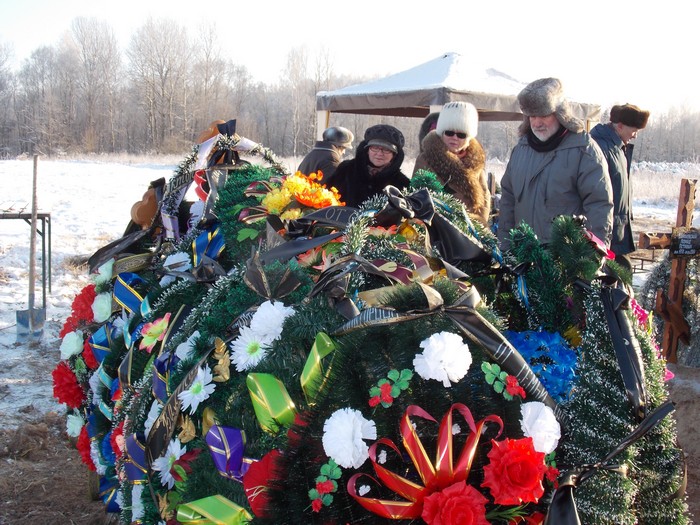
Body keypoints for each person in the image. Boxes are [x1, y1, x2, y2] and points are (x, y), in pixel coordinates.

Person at [497, 77, 613, 251]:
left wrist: (590, 259)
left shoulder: (583, 150)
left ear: (560, 114)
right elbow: (508, 202)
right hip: (523, 258)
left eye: (544, 115)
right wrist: (505, 249)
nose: (537, 123)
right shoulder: (521, 150)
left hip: (565, 262)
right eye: (532, 116)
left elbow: (599, 206)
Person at [590, 103, 650, 271]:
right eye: (634, 130)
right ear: (620, 126)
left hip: (618, 228)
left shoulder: (619, 148)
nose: (635, 135)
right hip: (605, 229)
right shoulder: (601, 148)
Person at [412, 101, 491, 224]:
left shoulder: (475, 161)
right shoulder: (426, 158)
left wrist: (479, 225)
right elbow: (418, 196)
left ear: (469, 138)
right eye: (449, 132)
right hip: (438, 228)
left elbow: (484, 197)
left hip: (471, 228)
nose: (454, 138)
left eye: (461, 134)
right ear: (441, 133)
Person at [324, 124, 410, 208]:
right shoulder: (346, 169)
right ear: (367, 150)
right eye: (375, 147)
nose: (379, 153)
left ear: (394, 155)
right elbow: (326, 198)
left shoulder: (402, 184)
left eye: (386, 149)